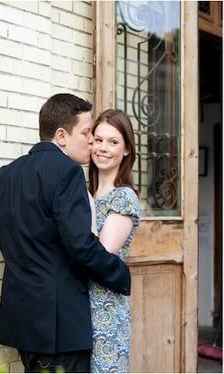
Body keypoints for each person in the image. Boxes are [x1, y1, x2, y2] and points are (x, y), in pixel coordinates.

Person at [0, 93, 131, 373]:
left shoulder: (5, 175)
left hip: (21, 318)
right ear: (61, 136)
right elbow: (80, 245)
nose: (91, 140)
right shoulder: (67, 172)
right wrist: (120, 273)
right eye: (86, 132)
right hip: (58, 324)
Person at [87, 109, 141, 373]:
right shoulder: (88, 193)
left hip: (105, 311)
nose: (103, 148)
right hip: (78, 307)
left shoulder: (124, 198)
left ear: (127, 149)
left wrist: (84, 205)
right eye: (98, 140)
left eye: (113, 141)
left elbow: (101, 255)